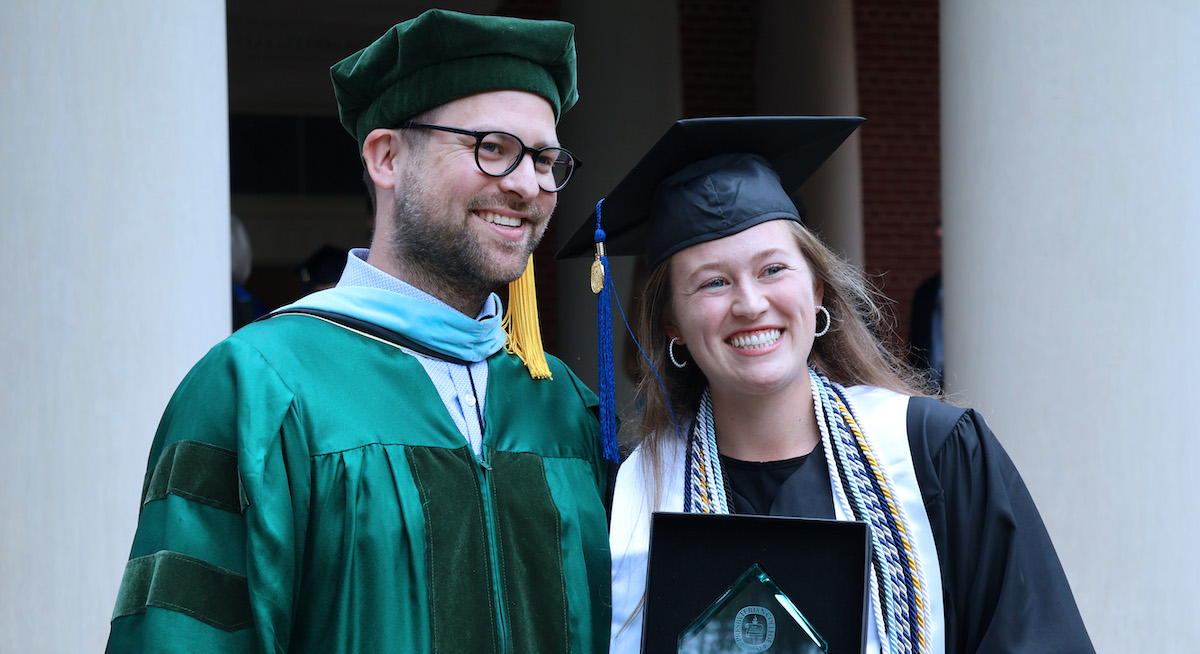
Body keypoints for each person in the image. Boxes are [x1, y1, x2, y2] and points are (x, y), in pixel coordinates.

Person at [107, 10, 611, 653]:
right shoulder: (260, 390)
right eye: (493, 148)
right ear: (386, 157)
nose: (525, 184)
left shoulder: (563, 404)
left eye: (544, 159)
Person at [559, 116, 1094, 653]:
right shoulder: (634, 491)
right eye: (713, 283)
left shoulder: (933, 453)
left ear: (816, 290)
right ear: (672, 323)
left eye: (772, 270)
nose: (750, 304)